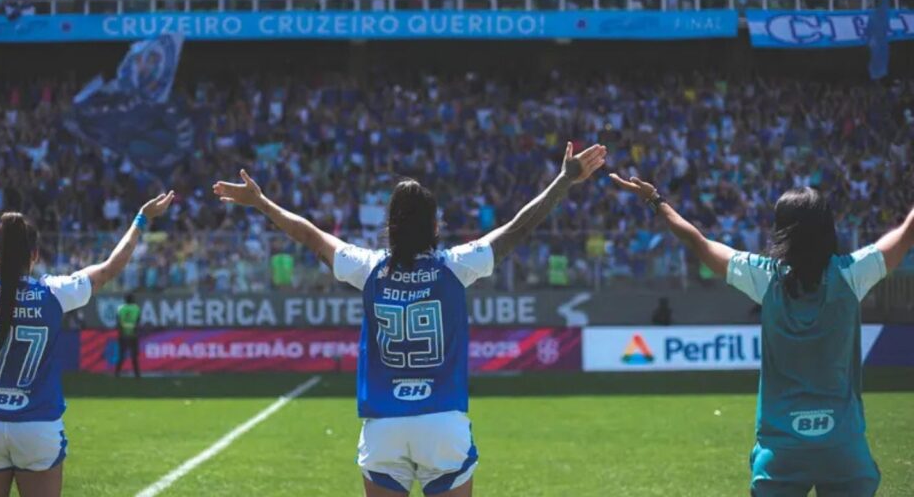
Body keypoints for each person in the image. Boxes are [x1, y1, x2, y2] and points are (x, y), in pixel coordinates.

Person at [214, 142, 607, 497]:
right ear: (435, 227)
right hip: (442, 424)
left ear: (390, 227)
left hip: (384, 425)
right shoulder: (456, 265)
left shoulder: (367, 268)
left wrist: (262, 203)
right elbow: (518, 228)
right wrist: (563, 181)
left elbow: (311, 235)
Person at [609, 175, 914, 497]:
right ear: (828, 228)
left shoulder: (765, 278)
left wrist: (655, 200)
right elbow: (907, 235)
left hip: (781, 449)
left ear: (782, 229)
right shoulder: (853, 274)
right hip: (843, 445)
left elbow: (698, 241)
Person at [0, 186, 174, 497]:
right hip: (38, 428)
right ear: (35, 255)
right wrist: (141, 218)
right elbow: (109, 268)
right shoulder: (55, 293)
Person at [114, 293, 142, 378]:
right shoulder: (136, 308)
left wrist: (121, 333)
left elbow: (118, 322)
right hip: (133, 335)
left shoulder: (120, 308)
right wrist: (136, 332)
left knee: (121, 355)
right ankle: (137, 374)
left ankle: (117, 373)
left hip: (123, 335)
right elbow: (138, 321)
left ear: (125, 300)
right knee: (134, 356)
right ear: (133, 300)